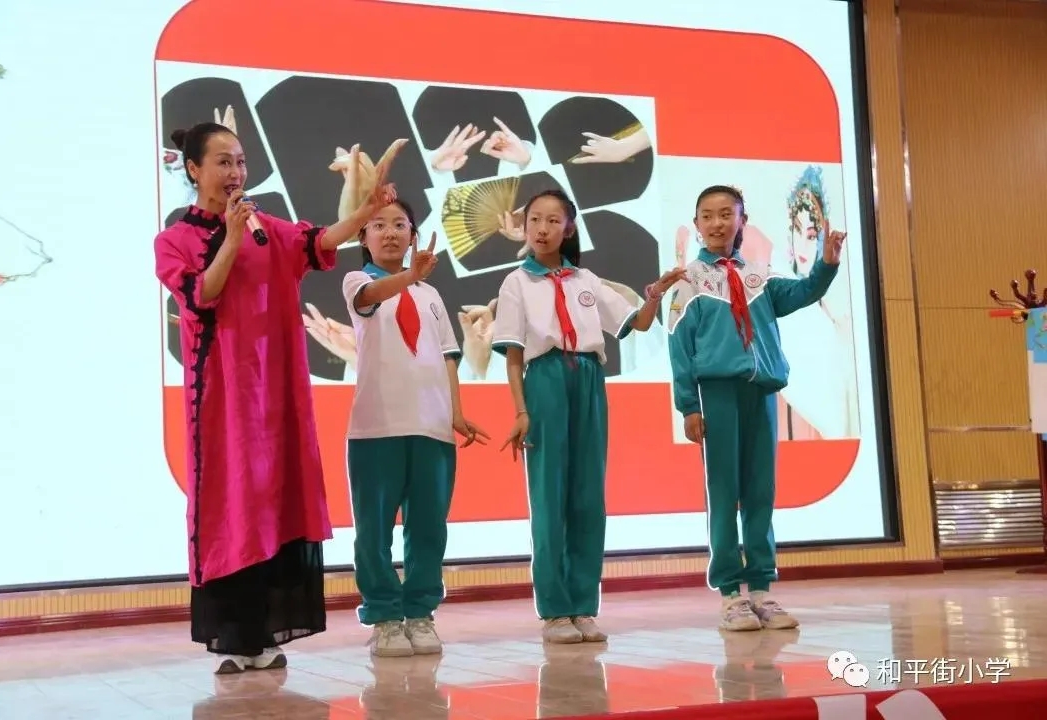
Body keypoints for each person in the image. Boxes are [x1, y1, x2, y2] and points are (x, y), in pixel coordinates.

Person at [154, 120, 401, 674]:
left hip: (275, 392)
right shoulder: (176, 240)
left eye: (240, 161)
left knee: (274, 499)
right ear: (193, 169)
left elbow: (319, 243)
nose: (235, 172)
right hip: (221, 398)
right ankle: (234, 637)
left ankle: (264, 636)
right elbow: (203, 293)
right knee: (232, 503)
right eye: (223, 161)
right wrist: (232, 237)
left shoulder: (266, 227)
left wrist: (366, 211)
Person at [492, 189, 685, 644]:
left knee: (587, 496)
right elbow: (514, 356)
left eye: (552, 220)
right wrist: (521, 409)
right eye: (534, 220)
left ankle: (582, 605)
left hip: (589, 380)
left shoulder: (585, 279)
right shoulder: (516, 282)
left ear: (569, 228)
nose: (542, 229)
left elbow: (636, 324)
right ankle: (555, 610)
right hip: (544, 380)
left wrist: (655, 296)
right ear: (524, 227)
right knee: (549, 496)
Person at [666, 185, 845, 632]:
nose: (717, 223)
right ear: (697, 223)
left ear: (742, 221)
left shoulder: (760, 277)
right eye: (708, 215)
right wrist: (688, 405)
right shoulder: (688, 280)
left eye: (726, 214)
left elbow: (804, 292)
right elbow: (679, 347)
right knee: (724, 493)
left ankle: (762, 589)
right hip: (716, 395)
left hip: (761, 393)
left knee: (760, 491)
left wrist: (826, 263)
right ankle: (731, 594)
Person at [343, 199, 490, 657]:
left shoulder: (430, 296)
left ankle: (421, 613)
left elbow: (448, 356)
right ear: (363, 236)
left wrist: (455, 412)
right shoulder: (358, 281)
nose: (390, 233)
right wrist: (410, 276)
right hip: (376, 427)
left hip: (432, 428)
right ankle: (385, 617)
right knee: (374, 531)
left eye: (400, 225)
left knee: (428, 529)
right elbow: (372, 297)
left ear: (413, 234)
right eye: (379, 225)